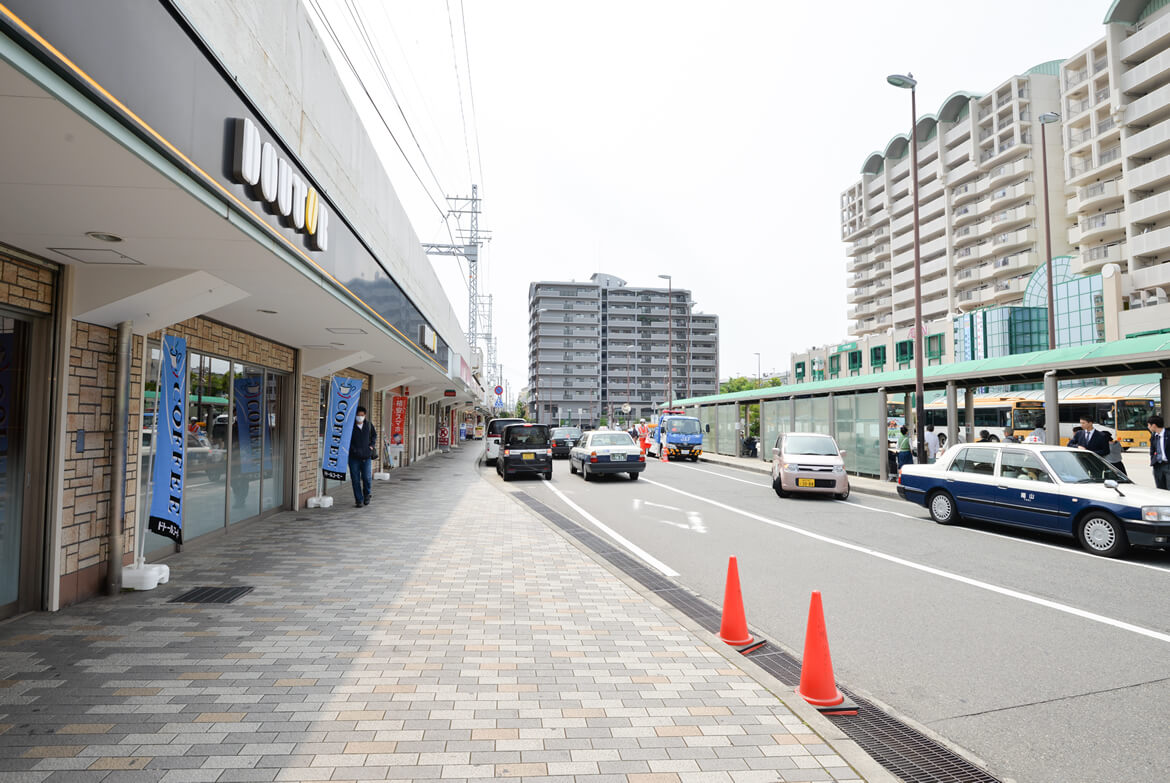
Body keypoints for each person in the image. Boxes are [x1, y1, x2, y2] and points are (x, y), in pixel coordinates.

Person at [348, 405, 378, 508]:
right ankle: (358, 500)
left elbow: (374, 435)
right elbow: (347, 440)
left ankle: (367, 494)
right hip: (353, 457)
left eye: (362, 415)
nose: (360, 417)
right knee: (355, 479)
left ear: (365, 415)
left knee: (367, 477)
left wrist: (371, 446)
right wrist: (353, 450)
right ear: (355, 415)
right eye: (358, 415)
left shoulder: (368, 425)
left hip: (366, 456)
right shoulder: (350, 426)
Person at [1150, 415, 1169, 490]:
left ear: (1154, 425)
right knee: (1160, 490)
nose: (1148, 427)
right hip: (1157, 466)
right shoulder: (1153, 436)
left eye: (1149, 425)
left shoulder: (1168, 434)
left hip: (1168, 464)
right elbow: (1152, 451)